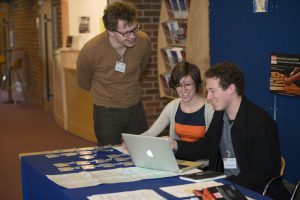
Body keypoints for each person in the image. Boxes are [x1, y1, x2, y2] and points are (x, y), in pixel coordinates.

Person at [168, 62, 290, 199]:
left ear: (231, 89)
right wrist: (175, 145)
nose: (208, 97)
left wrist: (222, 184)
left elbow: (261, 173)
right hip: (227, 187)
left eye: (212, 91)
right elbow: (205, 146)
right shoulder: (220, 115)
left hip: (255, 192)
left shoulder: (261, 122)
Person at [77, 1, 151, 146]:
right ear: (110, 31)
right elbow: (83, 81)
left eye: (134, 28)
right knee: (108, 155)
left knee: (143, 151)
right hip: (106, 111)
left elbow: (142, 67)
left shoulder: (143, 41)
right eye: (126, 32)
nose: (132, 36)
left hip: (135, 107)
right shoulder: (91, 50)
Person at [141, 61, 214, 143]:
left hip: (203, 155)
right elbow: (150, 133)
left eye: (187, 84)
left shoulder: (210, 109)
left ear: (196, 84)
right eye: (178, 85)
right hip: (178, 154)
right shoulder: (173, 106)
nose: (183, 90)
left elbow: (214, 144)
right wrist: (129, 143)